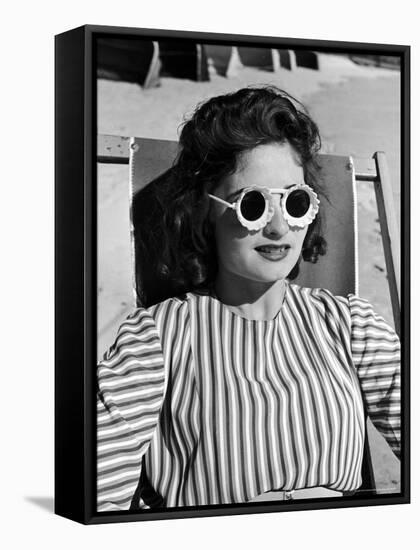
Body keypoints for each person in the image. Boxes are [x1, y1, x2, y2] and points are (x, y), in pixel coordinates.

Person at [97, 86, 400, 512]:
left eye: (295, 202)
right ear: (204, 211)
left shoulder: (349, 325)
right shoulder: (158, 339)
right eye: (253, 205)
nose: (279, 228)